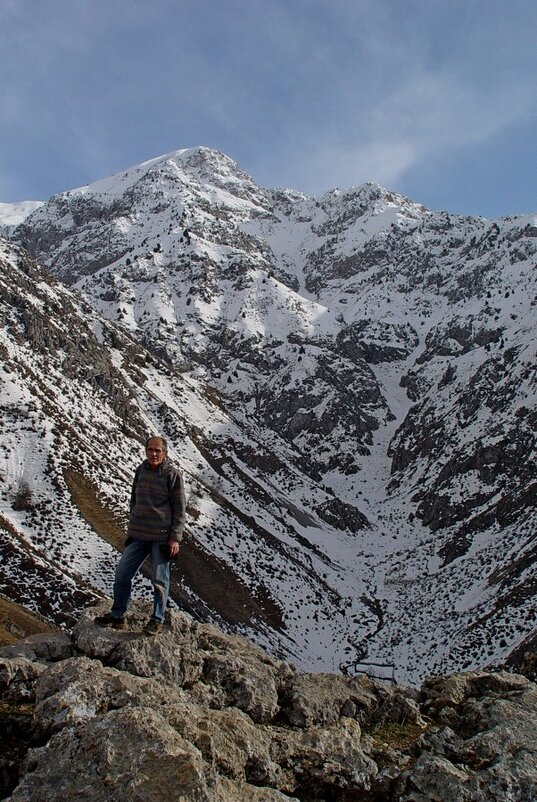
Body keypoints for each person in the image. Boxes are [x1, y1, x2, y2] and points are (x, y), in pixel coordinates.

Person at [95, 435, 186, 635]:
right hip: (138, 535)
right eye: (150, 450)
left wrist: (174, 538)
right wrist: (134, 520)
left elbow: (180, 509)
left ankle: (157, 618)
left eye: (157, 450)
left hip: (161, 537)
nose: (153, 454)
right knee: (122, 574)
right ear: (145, 451)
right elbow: (134, 498)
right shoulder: (141, 470)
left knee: (160, 581)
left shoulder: (172, 475)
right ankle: (118, 615)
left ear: (165, 452)